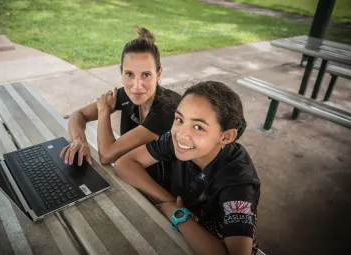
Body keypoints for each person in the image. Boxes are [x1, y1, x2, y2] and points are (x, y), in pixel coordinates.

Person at [114, 81, 261, 255]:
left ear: (226, 136)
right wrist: (169, 201)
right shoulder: (177, 142)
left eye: (198, 127)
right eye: (179, 119)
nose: (181, 134)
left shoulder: (238, 180)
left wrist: (180, 216)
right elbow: (124, 164)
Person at [60, 26, 181, 186]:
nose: (137, 86)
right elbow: (78, 115)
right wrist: (78, 140)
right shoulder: (127, 94)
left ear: (158, 74)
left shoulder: (167, 108)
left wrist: (104, 111)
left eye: (146, 75)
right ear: (121, 72)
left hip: (169, 193)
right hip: (135, 180)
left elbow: (107, 154)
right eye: (129, 74)